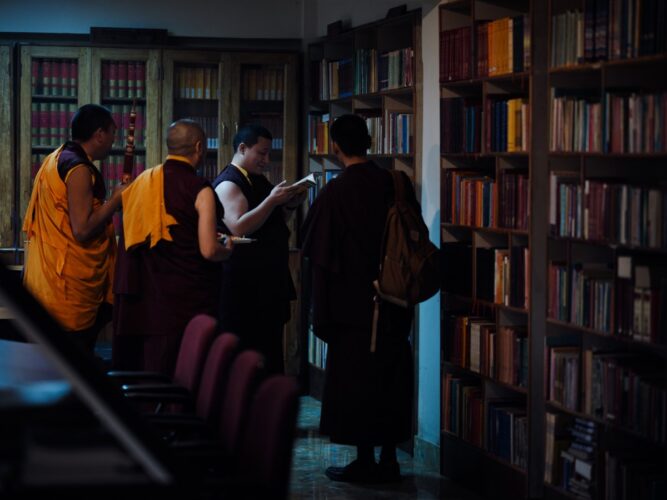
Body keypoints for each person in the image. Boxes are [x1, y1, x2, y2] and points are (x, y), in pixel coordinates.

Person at [301, 114, 417, 483]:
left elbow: (318, 252)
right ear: (368, 142)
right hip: (396, 298)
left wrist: (321, 311)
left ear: (336, 146)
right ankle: (389, 459)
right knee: (391, 377)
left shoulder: (336, 191)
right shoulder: (397, 182)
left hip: (353, 306)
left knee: (358, 383)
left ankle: (365, 458)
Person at [112, 119, 233, 375]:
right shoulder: (200, 189)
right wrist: (228, 248)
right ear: (200, 147)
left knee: (148, 375)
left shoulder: (141, 182)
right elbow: (209, 249)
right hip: (185, 302)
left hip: (144, 300)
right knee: (184, 375)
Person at [23, 104, 123, 353]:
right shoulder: (77, 168)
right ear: (99, 134)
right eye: (112, 133)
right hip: (66, 288)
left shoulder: (55, 158)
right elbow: (82, 229)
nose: (114, 140)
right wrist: (115, 202)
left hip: (46, 282)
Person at [212, 124, 305, 374]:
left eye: (268, 154)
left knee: (269, 350)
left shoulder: (257, 180)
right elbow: (238, 227)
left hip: (266, 282)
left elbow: (268, 225)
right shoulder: (229, 184)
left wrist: (289, 206)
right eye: (261, 153)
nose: (266, 160)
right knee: (247, 354)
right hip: (245, 288)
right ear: (242, 148)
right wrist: (272, 200)